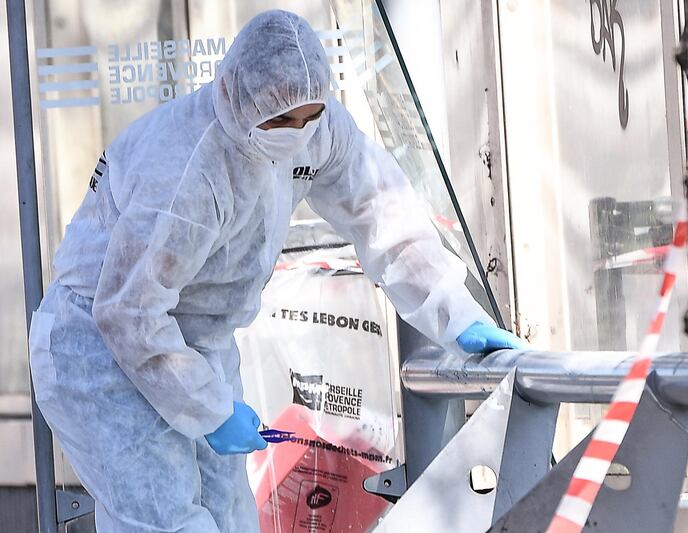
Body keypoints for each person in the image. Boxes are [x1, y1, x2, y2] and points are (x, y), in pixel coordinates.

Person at [27, 10, 527, 533]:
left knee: (230, 521)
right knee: (166, 522)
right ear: (233, 91)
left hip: (198, 343)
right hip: (99, 353)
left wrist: (453, 311)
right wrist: (210, 409)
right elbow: (128, 312)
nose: (295, 133)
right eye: (279, 121)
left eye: (308, 116)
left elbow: (380, 210)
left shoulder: (320, 129)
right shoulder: (182, 169)